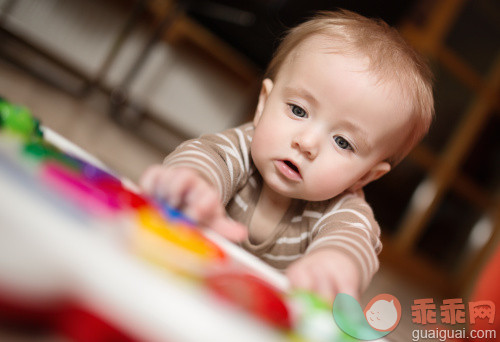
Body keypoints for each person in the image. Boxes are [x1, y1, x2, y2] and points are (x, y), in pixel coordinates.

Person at [140, 9, 434, 304]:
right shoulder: (242, 148)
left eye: (343, 142)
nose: (307, 143)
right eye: (298, 110)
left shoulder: (343, 210)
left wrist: (335, 262)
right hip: (183, 283)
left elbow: (353, 241)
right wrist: (193, 184)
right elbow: (207, 157)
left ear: (365, 176)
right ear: (263, 103)